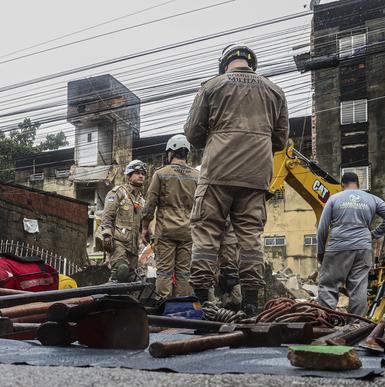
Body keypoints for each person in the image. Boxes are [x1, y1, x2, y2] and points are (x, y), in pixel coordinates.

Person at [184, 43, 289, 315]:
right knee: (251, 238)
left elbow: (193, 134)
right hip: (256, 177)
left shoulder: (211, 86)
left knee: (206, 234)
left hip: (217, 173)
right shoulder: (275, 91)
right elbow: (279, 140)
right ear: (251, 64)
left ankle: (200, 301)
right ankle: (251, 303)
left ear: (224, 63)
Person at [316, 172, 385, 317]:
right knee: (359, 287)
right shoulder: (371, 198)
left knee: (329, 285)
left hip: (338, 248)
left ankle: (326, 321)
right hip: (363, 248)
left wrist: (321, 252)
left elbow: (322, 228)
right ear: (358, 185)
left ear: (342, 185)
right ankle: (356, 325)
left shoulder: (334, 199)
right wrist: (373, 234)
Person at [142, 135, 198, 301]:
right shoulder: (197, 176)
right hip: (189, 232)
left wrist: (145, 227)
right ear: (186, 153)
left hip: (166, 232)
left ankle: (164, 308)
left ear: (171, 153)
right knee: (184, 272)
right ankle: (181, 310)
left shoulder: (161, 174)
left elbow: (150, 204)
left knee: (165, 272)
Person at [99, 160, 147, 282]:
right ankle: (108, 297)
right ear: (129, 175)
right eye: (137, 173)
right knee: (121, 271)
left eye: (143, 173)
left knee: (132, 278)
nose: (141, 176)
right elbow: (107, 216)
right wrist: (106, 235)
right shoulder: (118, 192)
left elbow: (143, 225)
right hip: (118, 242)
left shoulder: (141, 200)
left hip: (134, 246)